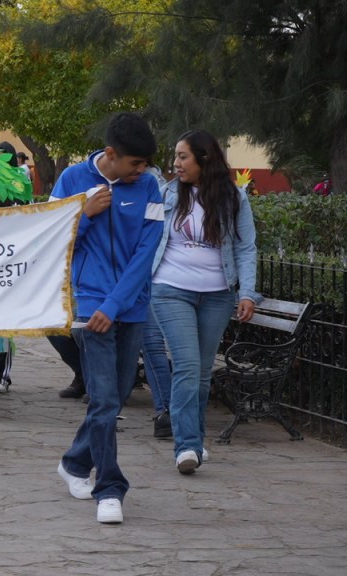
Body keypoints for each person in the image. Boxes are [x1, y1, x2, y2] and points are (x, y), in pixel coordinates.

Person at [53, 112, 163, 524]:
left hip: (129, 306)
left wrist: (114, 306)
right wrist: (84, 214)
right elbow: (50, 239)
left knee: (112, 396)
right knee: (105, 401)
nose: (143, 171)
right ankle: (110, 488)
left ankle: (74, 463)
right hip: (88, 303)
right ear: (112, 155)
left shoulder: (149, 187)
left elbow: (145, 254)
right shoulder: (71, 180)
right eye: (136, 163)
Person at [151, 129, 259, 474]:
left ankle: (193, 440)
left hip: (218, 294)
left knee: (200, 372)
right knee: (186, 366)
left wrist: (246, 292)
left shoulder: (234, 198)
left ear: (204, 159)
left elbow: (245, 248)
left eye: (183, 157)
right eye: (176, 157)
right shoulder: (166, 194)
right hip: (169, 289)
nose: (176, 163)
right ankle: (186, 447)